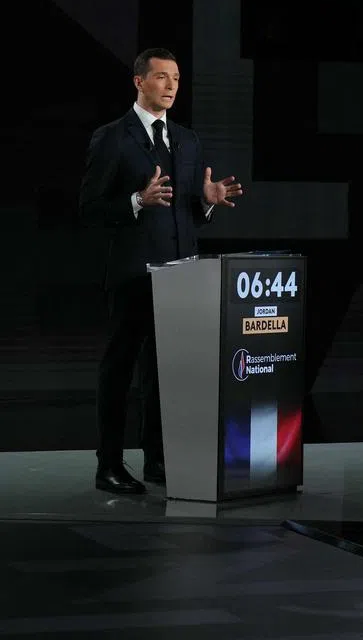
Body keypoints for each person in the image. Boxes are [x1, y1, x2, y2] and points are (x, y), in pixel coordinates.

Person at [79, 48, 244, 494]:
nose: (171, 86)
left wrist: (206, 201)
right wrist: (136, 201)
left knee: (165, 373)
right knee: (121, 368)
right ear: (138, 82)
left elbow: (185, 210)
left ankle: (157, 460)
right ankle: (108, 465)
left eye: (176, 79)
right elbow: (89, 209)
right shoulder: (113, 137)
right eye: (161, 77)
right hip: (134, 274)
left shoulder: (187, 140)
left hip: (180, 275)